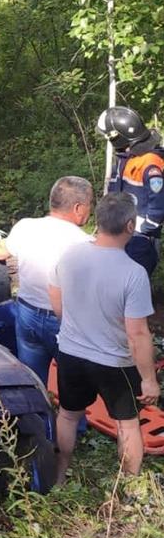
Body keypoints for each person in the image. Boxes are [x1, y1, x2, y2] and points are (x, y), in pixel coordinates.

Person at [49, 193, 161, 484]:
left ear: (97, 222)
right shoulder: (133, 274)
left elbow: (55, 297)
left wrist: (73, 326)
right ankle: (128, 487)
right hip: (115, 362)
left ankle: (58, 477)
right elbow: (137, 334)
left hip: (71, 353)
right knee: (127, 424)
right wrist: (149, 379)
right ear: (130, 226)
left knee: (68, 415)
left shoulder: (70, 255)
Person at [0, 176, 93, 386]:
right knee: (74, 395)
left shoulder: (26, 227)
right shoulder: (86, 244)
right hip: (65, 322)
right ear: (78, 208)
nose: (90, 210)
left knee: (33, 384)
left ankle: (37, 417)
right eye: (90, 205)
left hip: (27, 316)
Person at [97, 106, 164, 275]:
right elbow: (115, 190)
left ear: (118, 138)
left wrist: (148, 227)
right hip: (121, 231)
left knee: (133, 282)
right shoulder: (126, 158)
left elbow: (159, 200)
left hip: (140, 238)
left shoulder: (150, 163)